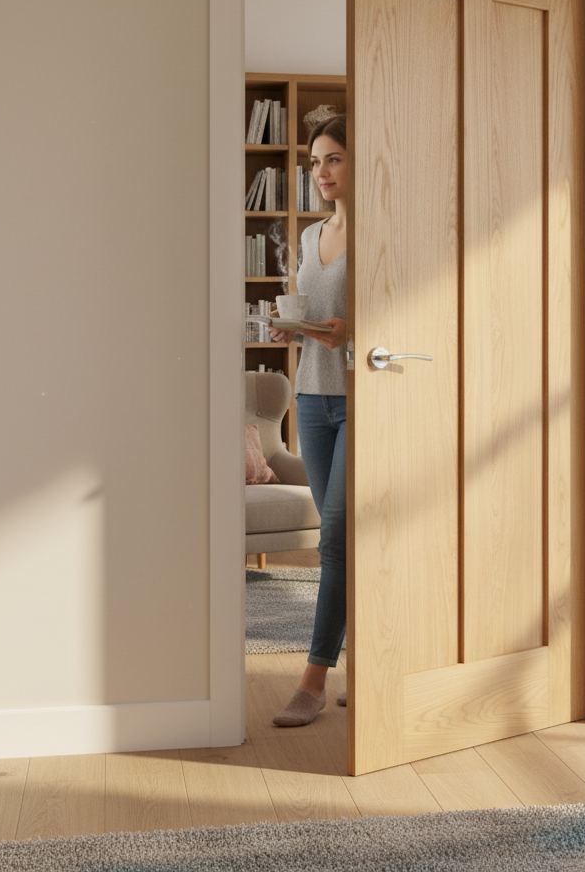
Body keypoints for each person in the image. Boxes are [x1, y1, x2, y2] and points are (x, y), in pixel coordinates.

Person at [269, 114, 348, 727]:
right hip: (312, 398)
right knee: (346, 542)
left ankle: (313, 679)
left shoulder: (381, 233)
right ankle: (374, 664)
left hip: (360, 400)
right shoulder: (308, 236)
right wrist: (287, 327)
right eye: (316, 162)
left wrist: (357, 331)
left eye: (334, 160)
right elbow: (309, 311)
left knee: (333, 542)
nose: (322, 172)